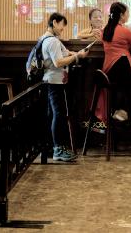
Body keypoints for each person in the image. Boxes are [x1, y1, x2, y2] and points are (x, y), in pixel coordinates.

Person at [40, 12, 88, 162]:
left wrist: (77, 54)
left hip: (50, 81)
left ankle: (48, 147)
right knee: (58, 114)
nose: (62, 29)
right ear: (55, 22)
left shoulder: (45, 38)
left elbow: (65, 53)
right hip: (55, 81)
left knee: (52, 114)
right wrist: (76, 57)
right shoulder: (52, 41)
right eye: (62, 26)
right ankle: (57, 149)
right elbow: (59, 62)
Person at [97, 2, 131, 123]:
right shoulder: (124, 31)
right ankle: (127, 115)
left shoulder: (105, 30)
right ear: (121, 15)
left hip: (108, 72)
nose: (128, 15)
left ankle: (121, 111)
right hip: (121, 70)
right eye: (127, 13)